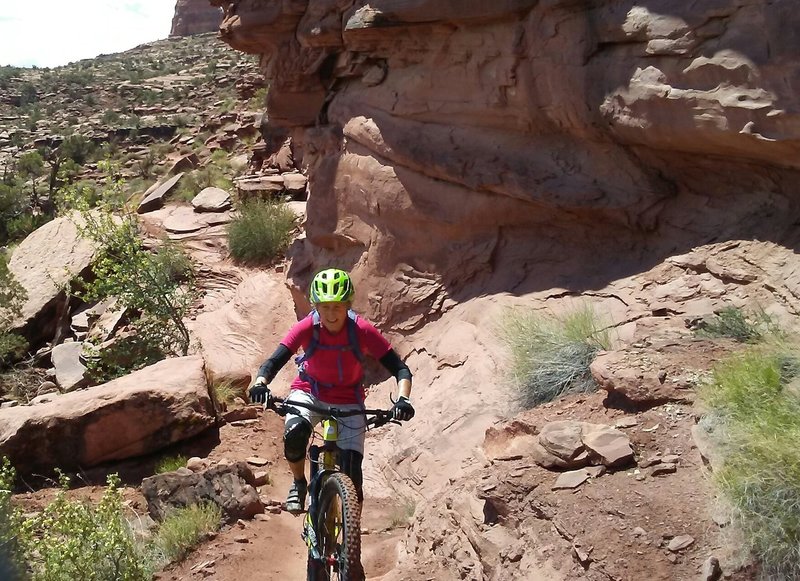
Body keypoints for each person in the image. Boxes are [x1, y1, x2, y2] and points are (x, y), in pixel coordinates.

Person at [249, 268, 415, 513]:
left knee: (352, 475)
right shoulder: (307, 327)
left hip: (349, 399)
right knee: (295, 433)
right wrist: (261, 383)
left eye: (337, 307)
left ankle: (349, 535)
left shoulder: (362, 330)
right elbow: (275, 361)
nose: (331, 314)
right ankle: (298, 483)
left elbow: (400, 369)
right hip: (309, 393)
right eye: (325, 307)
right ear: (316, 306)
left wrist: (403, 399)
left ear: (347, 305)